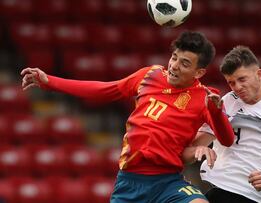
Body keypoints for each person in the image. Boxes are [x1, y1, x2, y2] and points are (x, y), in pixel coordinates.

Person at [20, 31, 234, 203]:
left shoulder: (207, 96)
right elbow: (104, 90)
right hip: (130, 182)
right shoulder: (149, 76)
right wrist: (51, 82)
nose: (174, 66)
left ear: (199, 73)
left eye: (185, 63)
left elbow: (226, 139)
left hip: (168, 181)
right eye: (174, 57)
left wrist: (216, 112)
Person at [184, 45, 261, 203]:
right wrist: (198, 148)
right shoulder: (226, 103)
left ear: (259, 74)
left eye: (242, 79)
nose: (237, 87)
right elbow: (189, 152)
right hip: (219, 188)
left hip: (257, 197)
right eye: (231, 83)